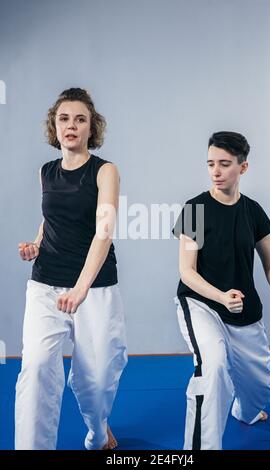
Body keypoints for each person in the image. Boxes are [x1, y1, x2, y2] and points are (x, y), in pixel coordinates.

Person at [15, 88, 127, 450]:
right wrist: (35, 243)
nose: (71, 126)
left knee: (95, 380)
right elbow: (50, 219)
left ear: (91, 127)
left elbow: (104, 231)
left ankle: (98, 431)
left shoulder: (105, 171)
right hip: (46, 284)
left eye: (80, 119)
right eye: (64, 118)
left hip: (93, 288)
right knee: (35, 369)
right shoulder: (45, 171)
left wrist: (79, 288)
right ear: (55, 125)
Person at [172, 131, 270, 450]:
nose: (216, 171)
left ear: (243, 167)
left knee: (261, 388)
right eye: (211, 163)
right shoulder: (195, 209)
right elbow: (187, 271)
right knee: (213, 368)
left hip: (244, 313)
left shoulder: (253, 211)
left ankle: (244, 410)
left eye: (225, 164)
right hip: (200, 304)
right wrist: (221, 296)